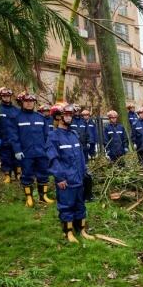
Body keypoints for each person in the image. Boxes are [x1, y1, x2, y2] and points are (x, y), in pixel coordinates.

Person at [46, 104, 94, 243]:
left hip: (79, 178)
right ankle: (68, 233)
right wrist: (59, 177)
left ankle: (82, 230)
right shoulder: (53, 136)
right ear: (57, 117)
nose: (68, 117)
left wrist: (85, 172)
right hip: (66, 180)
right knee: (66, 206)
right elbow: (53, 159)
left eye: (70, 114)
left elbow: (80, 155)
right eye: (65, 114)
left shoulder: (73, 134)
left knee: (80, 204)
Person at [9, 93, 54, 207]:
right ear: (22, 103)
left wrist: (48, 150)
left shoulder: (41, 118)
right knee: (27, 175)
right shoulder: (17, 118)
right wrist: (17, 150)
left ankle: (43, 196)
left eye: (31, 101)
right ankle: (29, 198)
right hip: (26, 153)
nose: (29, 103)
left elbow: (47, 136)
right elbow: (14, 137)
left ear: (34, 103)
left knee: (43, 174)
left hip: (41, 153)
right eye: (26, 101)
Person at [0, 87, 21, 183]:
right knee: (5, 158)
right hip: (3, 139)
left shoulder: (17, 110)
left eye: (8, 96)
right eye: (4, 96)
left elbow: (20, 125)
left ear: (10, 97)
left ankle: (18, 174)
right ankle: (7, 176)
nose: (6, 98)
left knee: (17, 158)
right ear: (1, 97)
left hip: (15, 140)